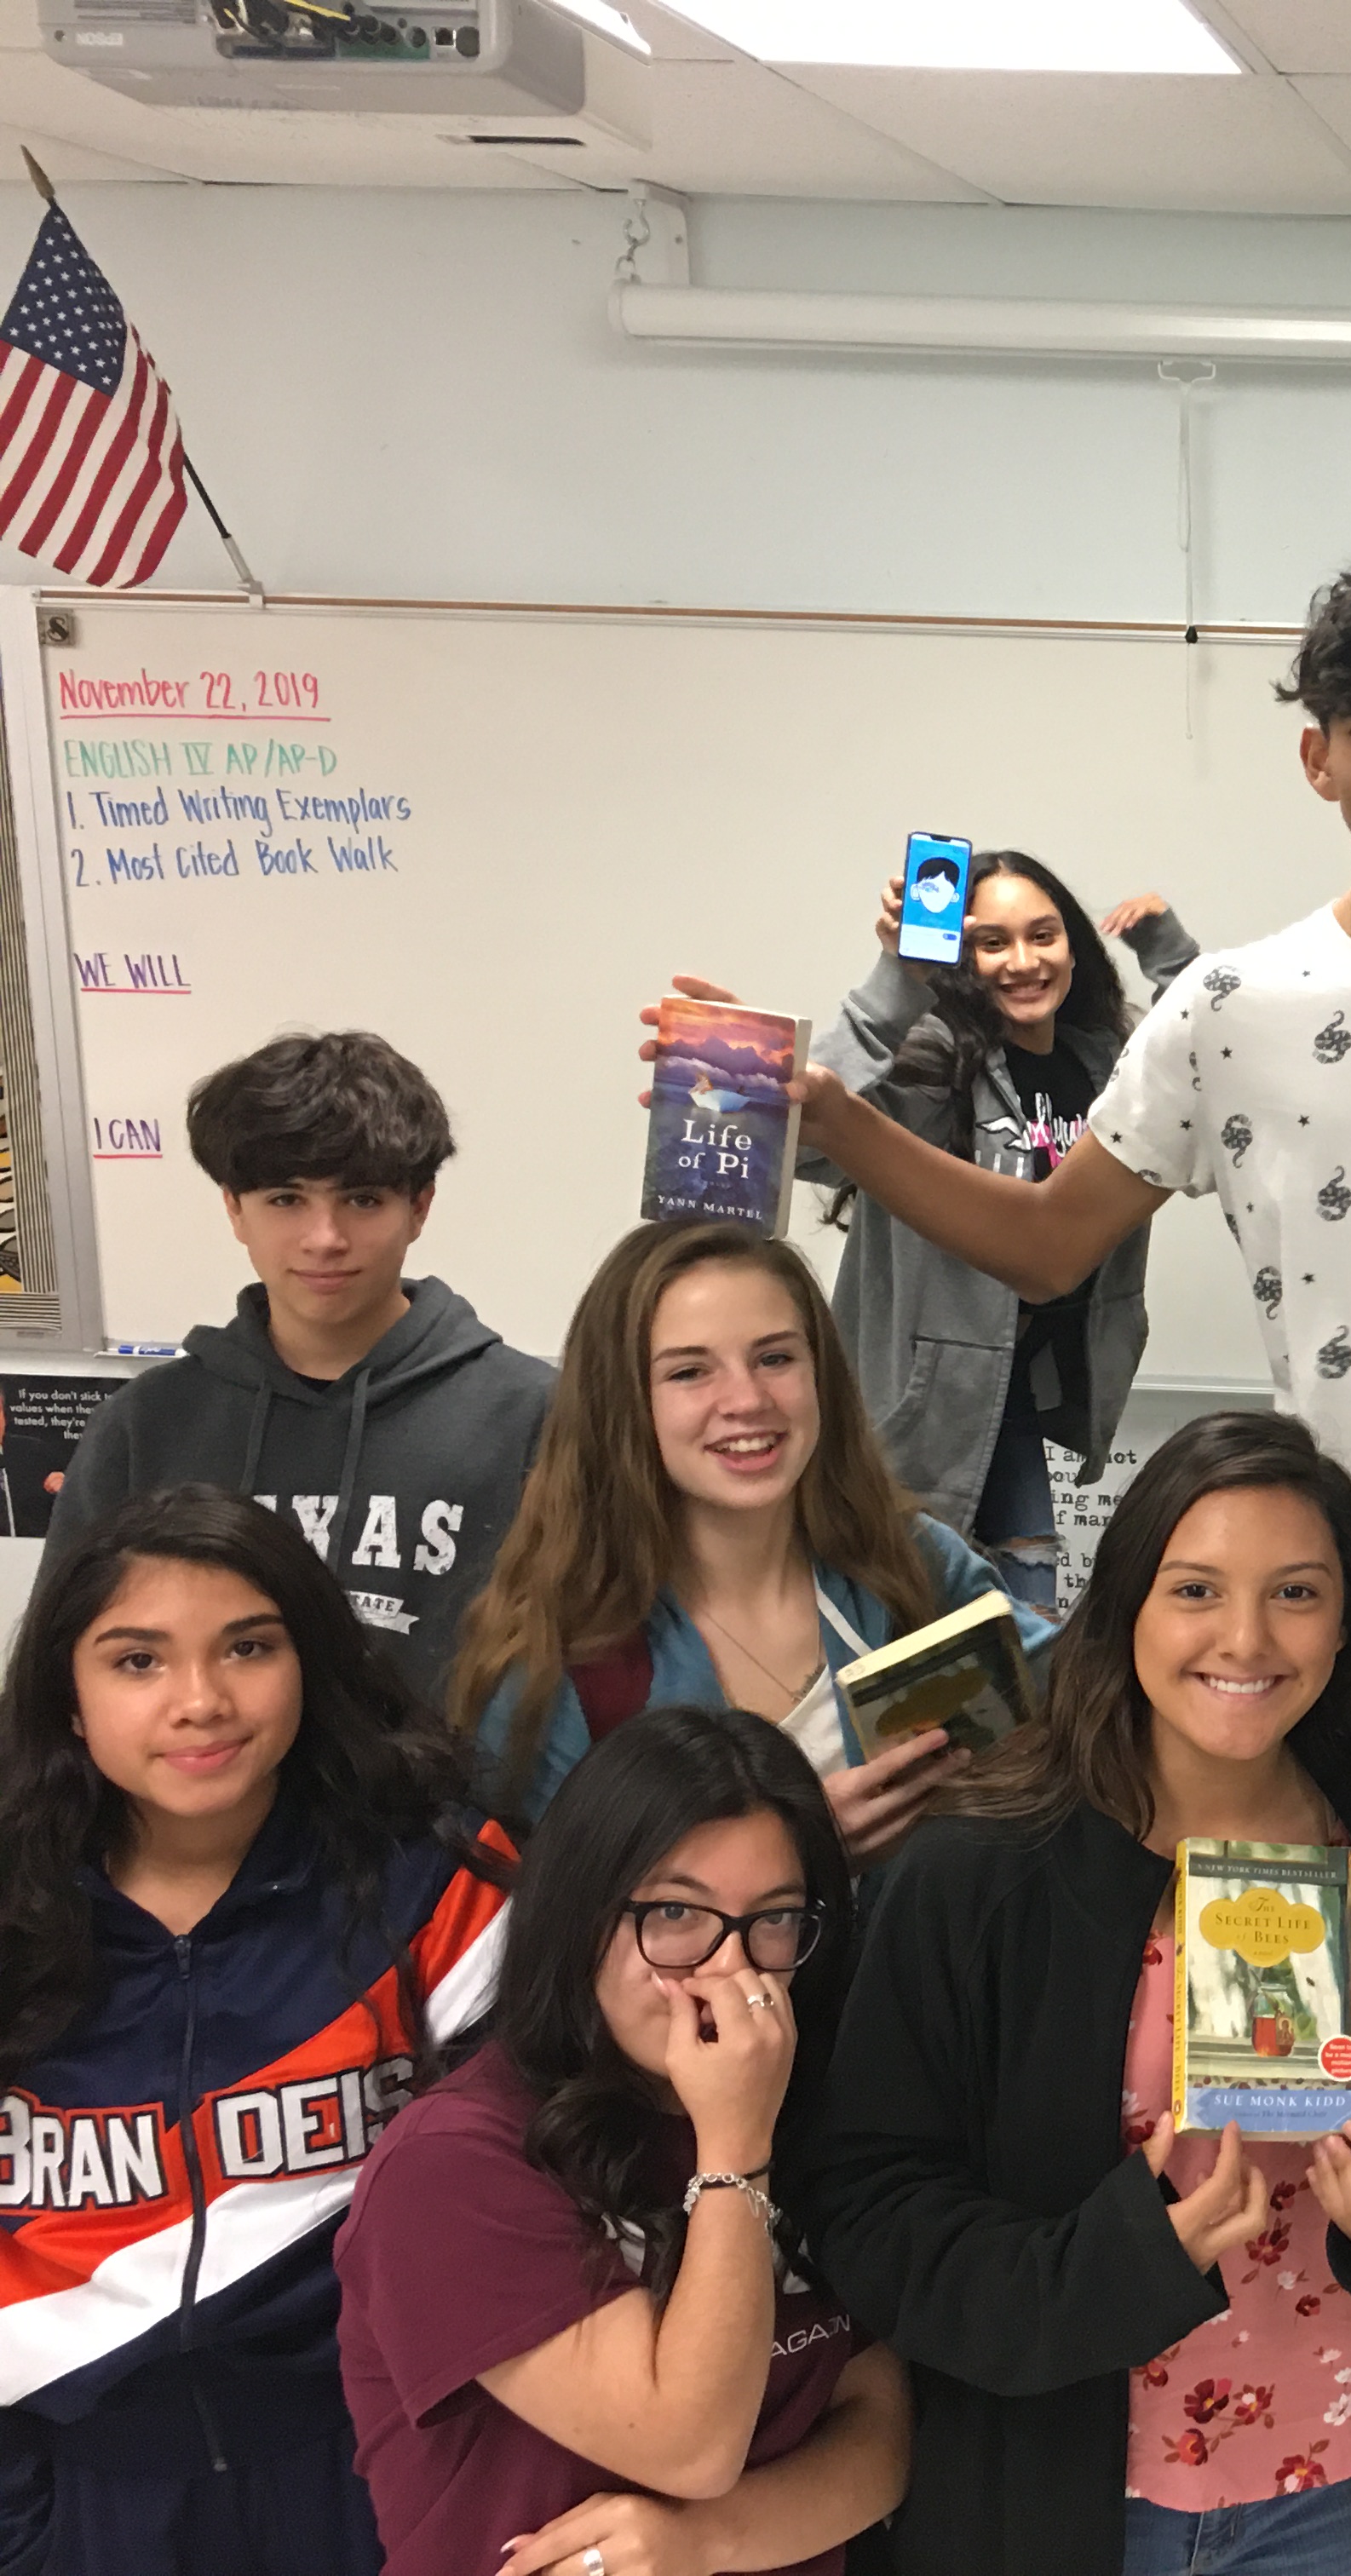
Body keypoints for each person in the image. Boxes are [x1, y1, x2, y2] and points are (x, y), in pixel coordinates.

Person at [766, 555, 1351, 2341]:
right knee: (1293, 2031)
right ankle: (1296, 2359)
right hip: (1303, 1645)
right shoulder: (1224, 1014)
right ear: (1318, 759)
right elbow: (1052, 1241)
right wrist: (833, 1124)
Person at [808, 1411, 1351, 2575]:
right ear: (1125, 1604)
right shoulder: (982, 1865)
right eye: (1195, 1590)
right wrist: (1122, 2263)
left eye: (1297, 1592)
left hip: (1339, 2497)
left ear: (1349, 1623)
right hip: (1060, 2506)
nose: (1245, 1637)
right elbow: (872, 2212)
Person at [0, 1486, 513, 2576]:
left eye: (247, 1647)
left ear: (312, 1663)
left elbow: (537, 2212)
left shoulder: (442, 1894)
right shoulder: (13, 1915)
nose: (200, 1700)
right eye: (137, 1660)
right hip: (80, 2499)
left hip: (378, 2476)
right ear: (70, 1699)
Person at [334, 1705, 906, 2576]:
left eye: (775, 1919)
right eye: (676, 1913)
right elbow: (688, 2445)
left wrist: (704, 2543)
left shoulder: (800, 2097)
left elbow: (880, 2430)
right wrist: (735, 2149)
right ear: (583, 1917)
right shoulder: (450, 2164)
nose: (728, 1969)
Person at [453, 1220, 1054, 1851]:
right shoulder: (561, 1658)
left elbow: (1085, 1704)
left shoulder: (910, 1563)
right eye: (689, 1372)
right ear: (622, 1402)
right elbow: (544, 1920)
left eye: (775, 1358)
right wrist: (799, 1850)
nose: (746, 1399)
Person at [43, 1032, 555, 1700]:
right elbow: (63, 1666)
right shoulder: (145, 1426)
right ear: (234, 1208)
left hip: (454, 1802)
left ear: (420, 1207)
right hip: (212, 1800)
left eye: (363, 1200)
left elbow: (610, 1655)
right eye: (286, 1199)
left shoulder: (535, 1415)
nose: (325, 1238)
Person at [796, 849, 1198, 1602]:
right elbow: (808, 1140)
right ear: (959, 958)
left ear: (1074, 946)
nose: (1023, 961)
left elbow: (1206, 1055)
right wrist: (895, 980)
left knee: (1027, 1626)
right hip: (926, 1412)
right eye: (993, 942)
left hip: (1044, 1397)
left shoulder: (1106, 1057)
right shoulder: (937, 1060)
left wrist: (1164, 947)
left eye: (1043, 935)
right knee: (908, 1624)